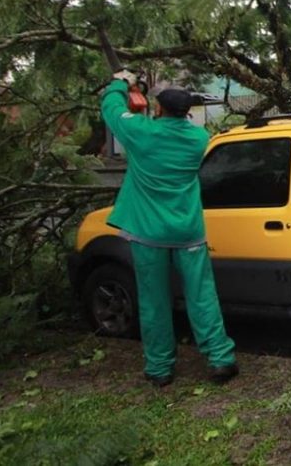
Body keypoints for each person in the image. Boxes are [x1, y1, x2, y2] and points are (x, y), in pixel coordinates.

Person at [101, 71, 237, 387]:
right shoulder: (199, 139)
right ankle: (220, 358)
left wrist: (121, 82)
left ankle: (160, 368)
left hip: (148, 235)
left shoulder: (140, 133)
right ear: (187, 111)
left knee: (154, 300)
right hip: (188, 231)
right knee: (202, 296)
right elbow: (167, 131)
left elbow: (110, 107)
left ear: (158, 109)